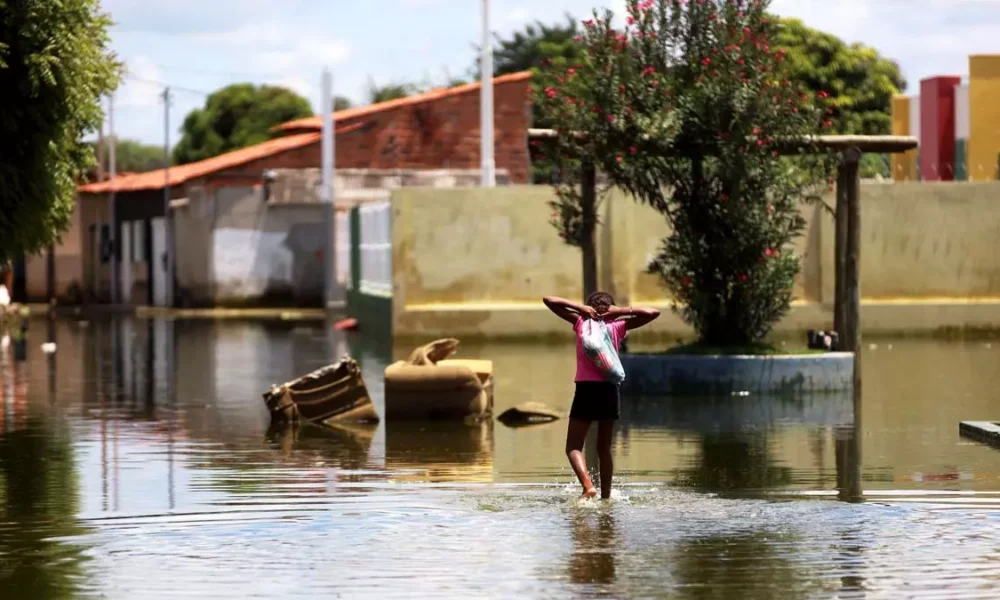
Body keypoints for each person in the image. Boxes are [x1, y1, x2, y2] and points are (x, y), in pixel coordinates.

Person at [542, 292, 660, 499]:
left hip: (586, 389)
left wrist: (579, 308)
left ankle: (588, 487)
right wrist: (621, 312)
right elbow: (653, 312)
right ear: (611, 311)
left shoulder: (581, 323)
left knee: (574, 446)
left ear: (589, 310)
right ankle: (605, 496)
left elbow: (549, 301)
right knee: (604, 446)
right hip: (609, 388)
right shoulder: (617, 326)